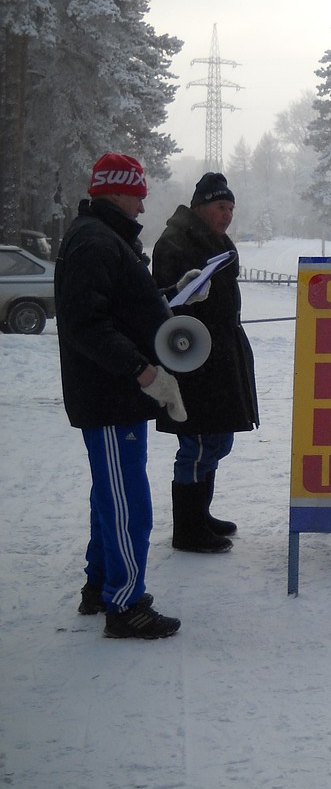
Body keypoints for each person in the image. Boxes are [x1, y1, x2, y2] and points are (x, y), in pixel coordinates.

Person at [55, 153, 201, 639]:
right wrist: (142, 371)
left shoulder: (105, 237)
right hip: (110, 394)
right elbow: (85, 324)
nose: (143, 203)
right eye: (138, 193)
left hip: (114, 392)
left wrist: (170, 293)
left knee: (111, 493)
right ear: (116, 191)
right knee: (127, 503)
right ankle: (125, 604)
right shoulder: (95, 241)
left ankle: (100, 587)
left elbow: (122, 305)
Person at [152, 172, 259, 553]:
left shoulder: (215, 241)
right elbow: (164, 303)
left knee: (217, 439)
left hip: (219, 356)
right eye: (220, 207)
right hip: (191, 362)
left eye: (231, 208)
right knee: (197, 444)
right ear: (200, 206)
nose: (227, 214)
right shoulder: (174, 242)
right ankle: (188, 529)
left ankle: (202, 515)